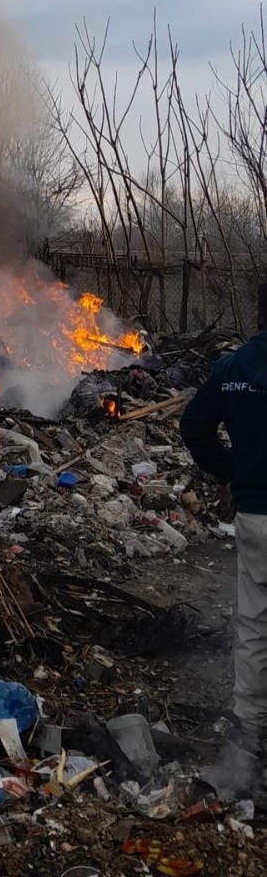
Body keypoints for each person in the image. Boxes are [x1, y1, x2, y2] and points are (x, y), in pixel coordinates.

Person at [180, 283, 267, 748]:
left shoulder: (232, 368)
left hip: (254, 516)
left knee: (255, 624)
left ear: (258, 314)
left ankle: (250, 728)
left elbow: (193, 425)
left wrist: (231, 472)